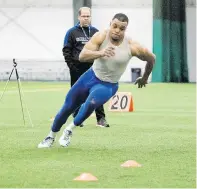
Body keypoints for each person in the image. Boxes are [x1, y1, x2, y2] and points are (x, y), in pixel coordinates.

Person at [38, 13, 155, 148]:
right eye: (114, 26)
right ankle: (50, 136)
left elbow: (151, 58)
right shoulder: (100, 36)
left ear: (126, 29)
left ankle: (69, 130)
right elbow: (82, 56)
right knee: (67, 107)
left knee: (91, 103)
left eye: (121, 29)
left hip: (108, 85)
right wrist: (101, 53)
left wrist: (145, 77)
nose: (117, 31)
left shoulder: (132, 46)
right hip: (90, 77)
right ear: (110, 24)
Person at [63, 7, 109, 128]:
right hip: (76, 69)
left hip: (94, 69)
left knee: (98, 92)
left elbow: (103, 49)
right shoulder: (71, 32)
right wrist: (72, 67)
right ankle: (78, 119)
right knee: (77, 95)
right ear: (79, 17)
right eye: (84, 16)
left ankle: (101, 119)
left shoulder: (96, 32)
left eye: (88, 16)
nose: (86, 18)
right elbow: (66, 50)